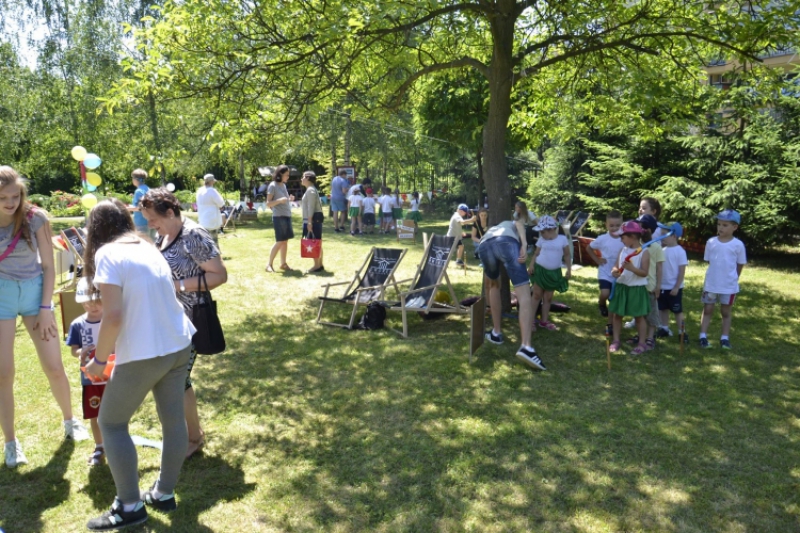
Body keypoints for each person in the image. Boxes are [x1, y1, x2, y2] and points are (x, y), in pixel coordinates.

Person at [82, 198, 195, 530]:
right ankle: (163, 494)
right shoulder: (147, 246)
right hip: (178, 344)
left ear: (97, 229)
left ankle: (129, 507)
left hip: (148, 351)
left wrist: (100, 361)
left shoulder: (107, 254)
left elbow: (113, 316)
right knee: (173, 420)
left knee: (112, 423)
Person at [0, 166, 89, 468]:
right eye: (3, 197)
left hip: (36, 294)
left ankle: (70, 421)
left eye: (15, 195)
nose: (11, 202)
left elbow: (50, 267)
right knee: (4, 373)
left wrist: (46, 309)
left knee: (53, 365)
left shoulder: (34, 217)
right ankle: (11, 443)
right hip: (2, 297)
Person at [140, 188, 228, 458]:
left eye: (153, 219)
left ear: (170, 212)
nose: (151, 225)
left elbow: (219, 275)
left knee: (177, 380)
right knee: (177, 380)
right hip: (168, 320)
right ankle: (191, 435)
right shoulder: (163, 234)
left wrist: (175, 285)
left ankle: (192, 437)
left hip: (189, 321)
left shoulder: (193, 235)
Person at [478, 216, 544, 370]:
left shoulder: (492, 229)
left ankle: (496, 333)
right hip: (506, 242)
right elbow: (519, 223)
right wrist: (524, 244)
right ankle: (526, 347)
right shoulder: (510, 224)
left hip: (484, 244)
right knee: (524, 293)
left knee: (494, 285)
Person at [66, 277, 108, 466]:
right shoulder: (77, 324)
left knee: (115, 411)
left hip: (113, 375)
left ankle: (115, 443)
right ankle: (99, 445)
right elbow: (73, 349)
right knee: (94, 413)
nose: (92, 306)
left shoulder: (112, 319)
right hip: (90, 378)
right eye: (88, 302)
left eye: (97, 300)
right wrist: (79, 352)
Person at [699, 209, 746, 349]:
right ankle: (703, 336)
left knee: (726, 312)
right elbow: (709, 261)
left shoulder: (738, 245)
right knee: (708, 309)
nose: (720, 227)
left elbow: (740, 264)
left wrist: (733, 278)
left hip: (728, 286)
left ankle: (724, 338)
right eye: (719, 224)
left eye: (725, 225)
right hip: (711, 284)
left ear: (735, 227)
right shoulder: (711, 242)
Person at [608, 220, 651, 356]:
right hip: (622, 287)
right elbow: (616, 265)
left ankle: (642, 343)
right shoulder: (623, 250)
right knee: (617, 315)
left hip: (636, 289)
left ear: (632, 237)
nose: (621, 240)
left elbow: (644, 273)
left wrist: (632, 268)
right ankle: (616, 340)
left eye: (623, 237)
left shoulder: (644, 252)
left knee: (639, 317)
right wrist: (614, 271)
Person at [624, 214, 665, 351]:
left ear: (648, 230)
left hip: (650, 286)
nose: (640, 229)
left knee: (651, 314)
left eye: (642, 227)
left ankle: (650, 338)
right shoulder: (637, 247)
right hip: (637, 285)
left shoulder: (656, 247)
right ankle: (641, 335)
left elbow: (659, 268)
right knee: (639, 313)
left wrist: (658, 286)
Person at [527, 215, 571, 331]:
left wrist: (569, 269)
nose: (541, 234)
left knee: (548, 298)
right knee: (536, 295)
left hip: (554, 273)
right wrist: (531, 265)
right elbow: (536, 254)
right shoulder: (542, 240)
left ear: (552, 229)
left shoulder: (562, 239)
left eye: (543, 231)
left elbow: (567, 254)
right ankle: (530, 321)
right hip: (540, 270)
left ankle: (544, 321)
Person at [587, 211, 624, 329]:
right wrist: (597, 260)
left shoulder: (625, 238)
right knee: (605, 293)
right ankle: (601, 303)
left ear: (622, 225)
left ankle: (611, 323)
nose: (614, 228)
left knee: (614, 298)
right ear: (606, 225)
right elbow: (589, 248)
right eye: (611, 225)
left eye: (617, 225)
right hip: (605, 271)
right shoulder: (602, 238)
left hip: (619, 273)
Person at [658, 223, 689, 343]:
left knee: (677, 311)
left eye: (664, 235)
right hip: (662, 287)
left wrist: (676, 287)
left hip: (674, 288)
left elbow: (681, 272)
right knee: (663, 309)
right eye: (661, 235)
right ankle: (664, 328)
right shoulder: (662, 250)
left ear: (674, 236)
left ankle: (682, 332)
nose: (661, 237)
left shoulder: (680, 251)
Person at [265, 165, 295, 272]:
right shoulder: (272, 186)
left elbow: (284, 200)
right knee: (280, 241)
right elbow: (268, 204)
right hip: (278, 216)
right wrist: (279, 201)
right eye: (286, 174)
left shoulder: (283, 185)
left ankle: (283, 263)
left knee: (285, 241)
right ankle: (269, 264)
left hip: (286, 215)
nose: (288, 177)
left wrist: (289, 199)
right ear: (280, 174)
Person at [301, 171, 325, 273]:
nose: (301, 179)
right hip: (314, 220)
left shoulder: (310, 190)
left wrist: (309, 222)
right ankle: (319, 265)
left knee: (313, 242)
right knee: (317, 241)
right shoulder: (311, 190)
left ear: (308, 178)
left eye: (303, 177)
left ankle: (316, 265)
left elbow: (311, 207)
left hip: (312, 220)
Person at [196, 174, 226, 245]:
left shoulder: (199, 191)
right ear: (211, 181)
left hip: (202, 220)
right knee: (214, 242)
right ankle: (215, 255)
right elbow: (221, 203)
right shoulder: (212, 191)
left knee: (205, 242)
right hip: (211, 220)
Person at [127, 169, 153, 239]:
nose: (132, 180)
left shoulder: (138, 191)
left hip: (140, 222)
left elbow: (139, 208)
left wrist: (125, 209)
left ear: (136, 179)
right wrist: (131, 206)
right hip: (149, 220)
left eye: (132, 178)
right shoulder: (148, 189)